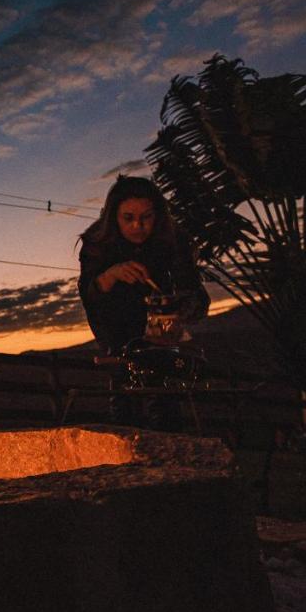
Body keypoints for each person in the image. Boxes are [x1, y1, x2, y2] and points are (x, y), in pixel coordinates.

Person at [77, 175, 209, 427]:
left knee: (163, 400)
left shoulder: (173, 240)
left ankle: (171, 450)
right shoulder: (97, 243)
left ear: (157, 215)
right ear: (114, 217)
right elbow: (89, 294)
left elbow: (193, 292)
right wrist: (111, 275)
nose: (138, 226)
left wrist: (181, 306)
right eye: (128, 218)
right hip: (114, 326)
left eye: (146, 217)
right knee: (124, 395)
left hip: (161, 329)